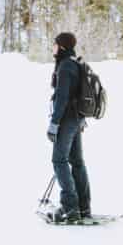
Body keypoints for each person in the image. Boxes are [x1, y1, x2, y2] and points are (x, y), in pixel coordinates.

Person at [47, 31, 91, 225]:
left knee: (59, 160)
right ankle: (83, 207)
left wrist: (54, 123)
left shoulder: (65, 66)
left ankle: (69, 208)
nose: (53, 48)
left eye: (55, 44)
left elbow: (62, 98)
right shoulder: (75, 63)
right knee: (77, 161)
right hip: (77, 118)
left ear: (62, 46)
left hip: (67, 119)